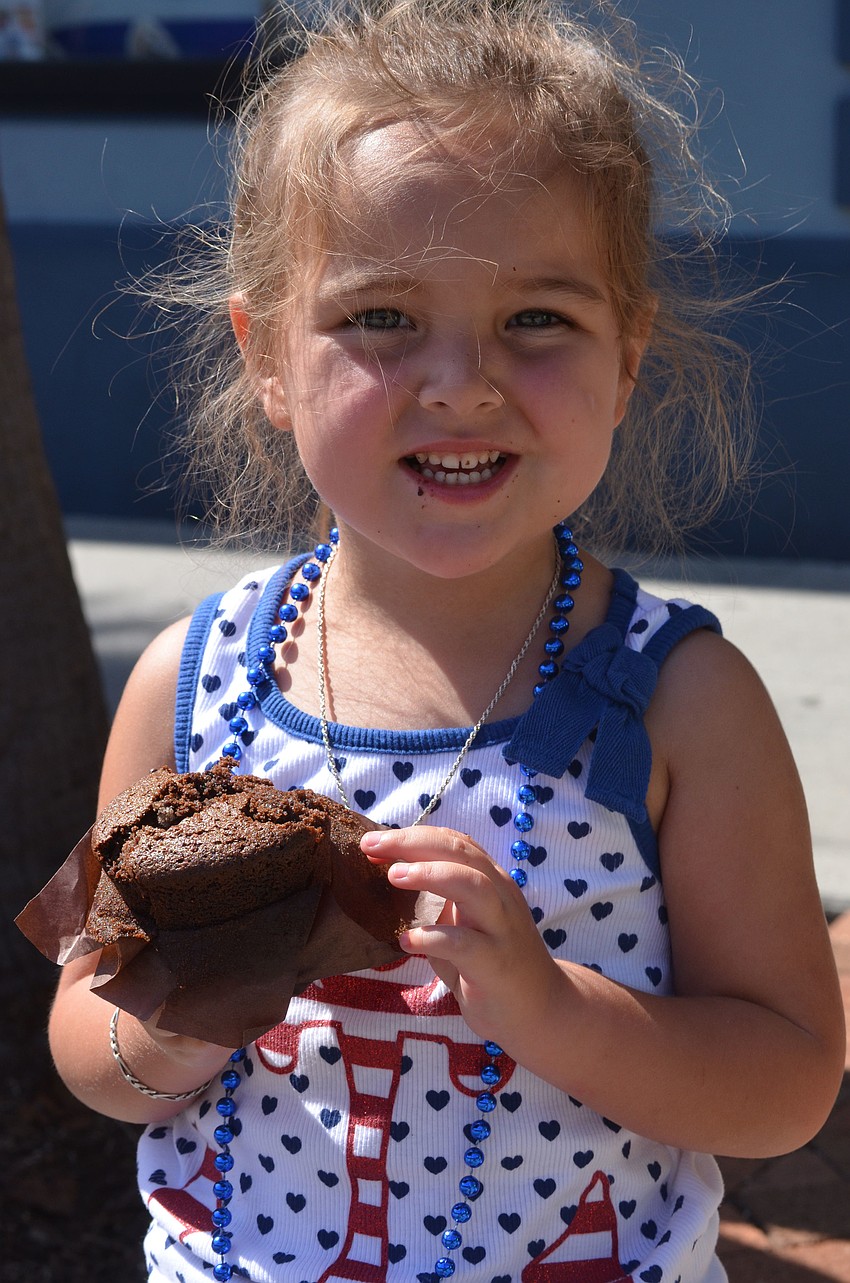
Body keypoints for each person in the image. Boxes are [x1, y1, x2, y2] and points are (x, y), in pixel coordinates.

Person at [48, 2, 845, 1281]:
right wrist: (191, 1015)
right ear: (268, 357)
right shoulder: (197, 684)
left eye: (538, 318)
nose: (461, 381)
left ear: (627, 352)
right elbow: (90, 1040)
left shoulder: (680, 703)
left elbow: (786, 1081)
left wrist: (547, 1007)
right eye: (378, 317)